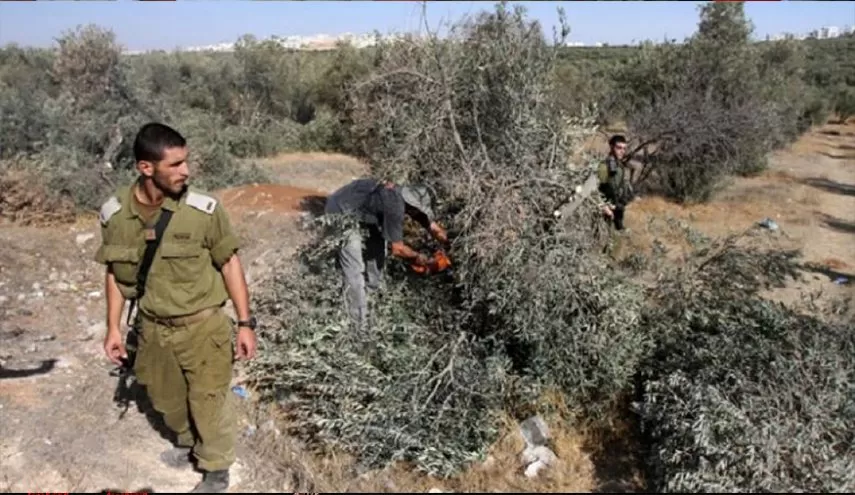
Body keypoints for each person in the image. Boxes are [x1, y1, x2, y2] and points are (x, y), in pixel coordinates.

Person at [95, 122, 257, 493]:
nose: (186, 171)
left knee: (209, 399)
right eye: (176, 165)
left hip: (202, 326)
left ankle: (216, 469)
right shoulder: (115, 214)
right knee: (164, 396)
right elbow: (116, 274)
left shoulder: (203, 210)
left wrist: (245, 322)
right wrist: (114, 328)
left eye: (186, 162)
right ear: (146, 168)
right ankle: (190, 444)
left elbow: (230, 263)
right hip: (152, 328)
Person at [324, 178, 448, 328]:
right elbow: (398, 249)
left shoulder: (407, 199)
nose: (417, 213)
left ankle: (370, 303)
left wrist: (449, 246)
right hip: (341, 209)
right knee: (354, 269)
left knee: (376, 257)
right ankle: (358, 327)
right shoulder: (394, 206)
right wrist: (421, 259)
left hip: (365, 212)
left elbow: (433, 227)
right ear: (412, 205)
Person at [598, 134, 636, 231]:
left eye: (624, 148)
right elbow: (595, 189)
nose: (622, 151)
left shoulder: (620, 166)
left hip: (616, 211)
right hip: (604, 213)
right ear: (611, 147)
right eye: (619, 148)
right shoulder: (604, 166)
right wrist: (604, 206)